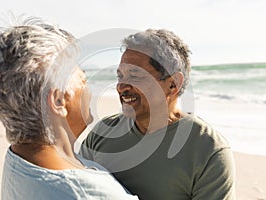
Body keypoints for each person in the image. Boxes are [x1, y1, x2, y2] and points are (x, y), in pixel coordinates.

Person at [0, 18, 138, 200]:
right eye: (82, 78)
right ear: (58, 101)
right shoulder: (87, 193)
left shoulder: (20, 158)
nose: (87, 85)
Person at [80, 29, 236, 199]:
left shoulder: (208, 150)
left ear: (173, 84)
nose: (122, 86)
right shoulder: (102, 133)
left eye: (135, 75)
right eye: (120, 76)